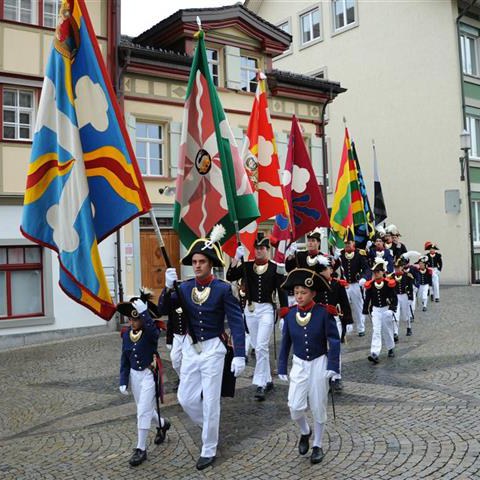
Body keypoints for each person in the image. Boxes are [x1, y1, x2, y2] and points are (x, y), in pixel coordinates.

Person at [161, 226, 246, 470]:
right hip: (190, 348)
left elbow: (237, 323)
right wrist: (167, 288)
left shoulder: (223, 289)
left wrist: (239, 355)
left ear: (211, 264)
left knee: (210, 401)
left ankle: (208, 447)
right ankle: (209, 426)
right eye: (194, 261)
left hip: (213, 350)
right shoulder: (184, 288)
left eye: (201, 261)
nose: (197, 265)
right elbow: (164, 309)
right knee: (185, 398)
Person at [278, 268, 340, 465]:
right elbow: (285, 342)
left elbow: (334, 340)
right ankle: (305, 431)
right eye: (296, 292)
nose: (299, 296)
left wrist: (333, 364)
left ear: (313, 293)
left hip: (319, 362)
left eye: (303, 292)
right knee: (294, 406)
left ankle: (318, 444)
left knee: (318, 404)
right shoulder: (289, 315)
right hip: (299, 363)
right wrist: (281, 366)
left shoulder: (323, 313)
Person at [226, 233, 288, 401]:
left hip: (267, 309)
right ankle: (268, 379)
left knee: (261, 346)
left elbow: (282, 292)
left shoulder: (275, 267)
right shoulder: (247, 266)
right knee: (257, 345)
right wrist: (235, 258)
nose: (259, 251)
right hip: (250, 309)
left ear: (267, 250)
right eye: (257, 248)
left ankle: (260, 383)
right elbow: (230, 276)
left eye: (262, 248)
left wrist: (284, 315)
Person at [117, 290, 171, 467]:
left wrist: (145, 314)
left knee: (142, 412)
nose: (132, 322)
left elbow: (155, 335)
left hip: (149, 375)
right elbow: (124, 359)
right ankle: (162, 423)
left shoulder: (150, 331)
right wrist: (123, 381)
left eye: (136, 319)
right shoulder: (126, 335)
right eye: (131, 319)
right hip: (135, 376)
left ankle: (141, 448)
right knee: (144, 408)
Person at [314, 255, 352, 392]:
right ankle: (324, 376)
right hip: (318, 320)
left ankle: (336, 377)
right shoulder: (314, 285)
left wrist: (348, 320)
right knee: (321, 349)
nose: (326, 271)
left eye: (327, 268)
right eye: (324, 269)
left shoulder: (337, 284)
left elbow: (344, 303)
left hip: (334, 319)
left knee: (335, 348)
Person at [362, 259, 398, 363]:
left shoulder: (388, 283)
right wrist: (365, 309)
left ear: (383, 272)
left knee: (387, 330)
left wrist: (392, 308)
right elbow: (367, 298)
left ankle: (390, 347)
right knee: (376, 331)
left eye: (378, 271)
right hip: (376, 310)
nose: (376, 274)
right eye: (375, 272)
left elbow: (394, 298)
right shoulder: (371, 285)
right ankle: (375, 353)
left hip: (386, 309)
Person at [337, 230, 369, 337]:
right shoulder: (341, 255)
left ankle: (361, 328)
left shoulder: (359, 254)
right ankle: (345, 327)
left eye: (348, 243)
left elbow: (367, 269)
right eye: (345, 244)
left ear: (353, 243)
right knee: (344, 306)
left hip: (356, 284)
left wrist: (363, 278)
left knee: (358, 306)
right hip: (345, 285)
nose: (347, 245)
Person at [158, 282, 186, 385]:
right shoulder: (172, 303)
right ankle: (183, 378)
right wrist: (169, 340)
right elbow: (169, 320)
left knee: (189, 361)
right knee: (175, 360)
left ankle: (186, 381)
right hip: (177, 335)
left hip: (189, 335)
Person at [389, 258, 416, 338]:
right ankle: (395, 332)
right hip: (396, 296)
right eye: (395, 267)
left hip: (405, 296)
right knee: (395, 314)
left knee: (406, 313)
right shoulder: (392, 276)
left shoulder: (407, 276)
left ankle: (408, 327)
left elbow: (410, 288)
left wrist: (410, 299)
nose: (397, 269)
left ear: (402, 267)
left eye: (398, 267)